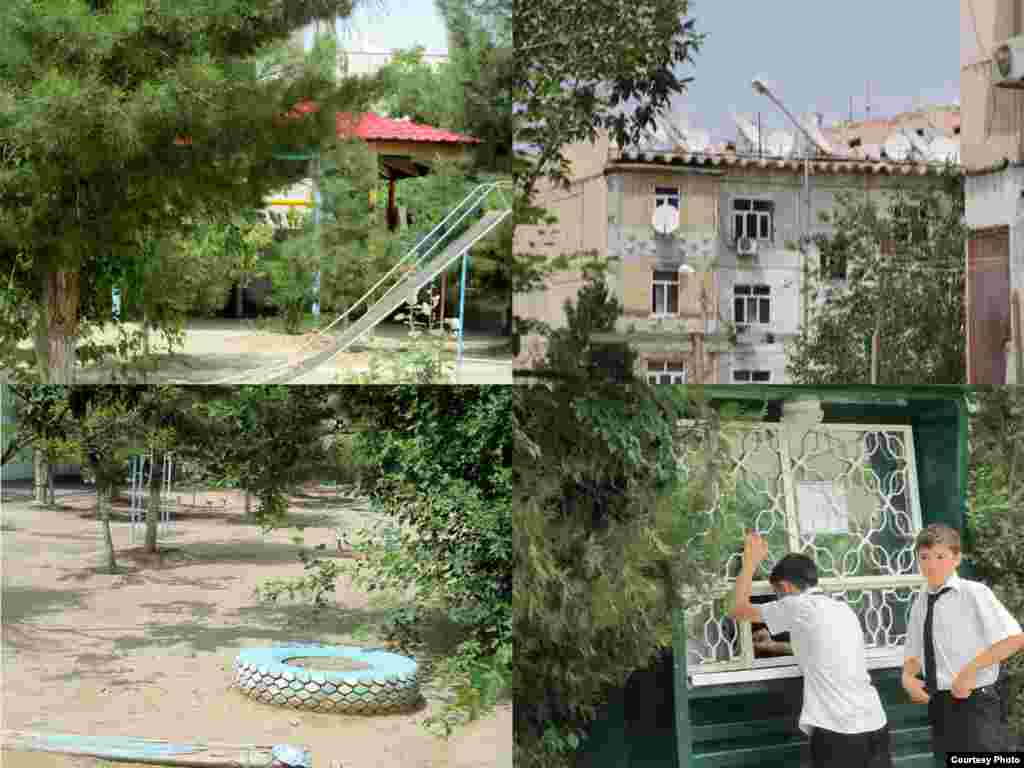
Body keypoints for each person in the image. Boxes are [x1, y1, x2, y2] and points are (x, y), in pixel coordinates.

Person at [730, 531, 893, 768]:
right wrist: (774, 645)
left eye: (776, 593)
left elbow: (738, 609)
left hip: (839, 729)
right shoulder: (840, 609)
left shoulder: (797, 605)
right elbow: (823, 651)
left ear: (785, 587)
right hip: (875, 724)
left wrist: (749, 563)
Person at [901, 523, 1023, 763]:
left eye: (940, 556)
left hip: (975, 705)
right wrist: (907, 678)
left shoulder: (974, 593)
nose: (931, 564)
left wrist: (970, 672)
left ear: (956, 558)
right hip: (940, 706)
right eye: (924, 557)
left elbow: (1014, 638)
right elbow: (914, 654)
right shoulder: (920, 602)